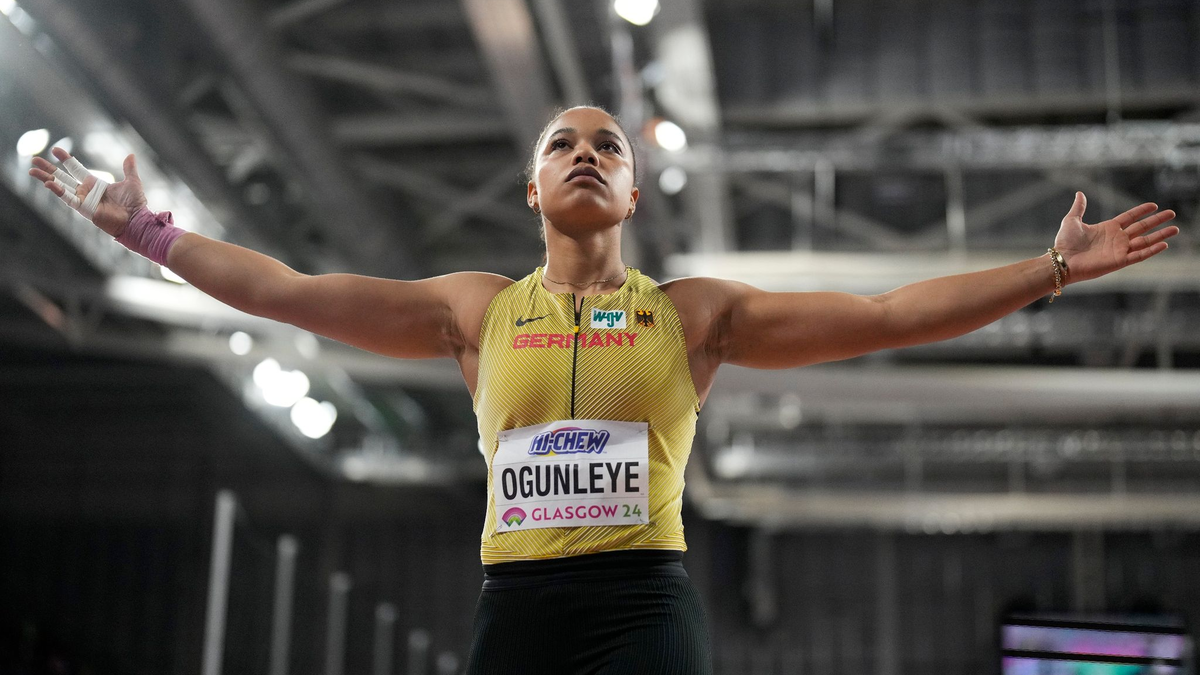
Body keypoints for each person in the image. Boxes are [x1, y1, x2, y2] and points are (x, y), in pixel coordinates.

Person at [29, 105, 1178, 674]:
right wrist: (147, 231)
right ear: (533, 187)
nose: (587, 151)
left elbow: (884, 319)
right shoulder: (475, 310)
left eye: (610, 147)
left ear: (630, 194)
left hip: (644, 607)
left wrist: (1056, 268)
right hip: (516, 610)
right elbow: (287, 289)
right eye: (564, 143)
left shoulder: (694, 316)